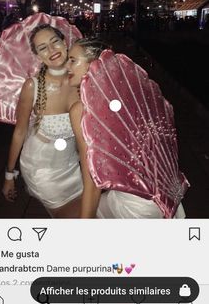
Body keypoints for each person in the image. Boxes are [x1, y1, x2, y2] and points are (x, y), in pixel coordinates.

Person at [67, 39, 189, 219]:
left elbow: (92, 182)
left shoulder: (82, 110)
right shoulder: (128, 97)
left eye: (72, 60)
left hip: (134, 205)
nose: (66, 66)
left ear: (92, 65)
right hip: (167, 194)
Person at [2, 24, 83, 217]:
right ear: (38, 56)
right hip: (42, 170)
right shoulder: (33, 86)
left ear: (65, 43)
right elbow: (20, 132)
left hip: (74, 166)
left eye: (55, 42)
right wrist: (9, 175)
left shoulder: (83, 80)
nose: (52, 50)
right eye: (43, 47)